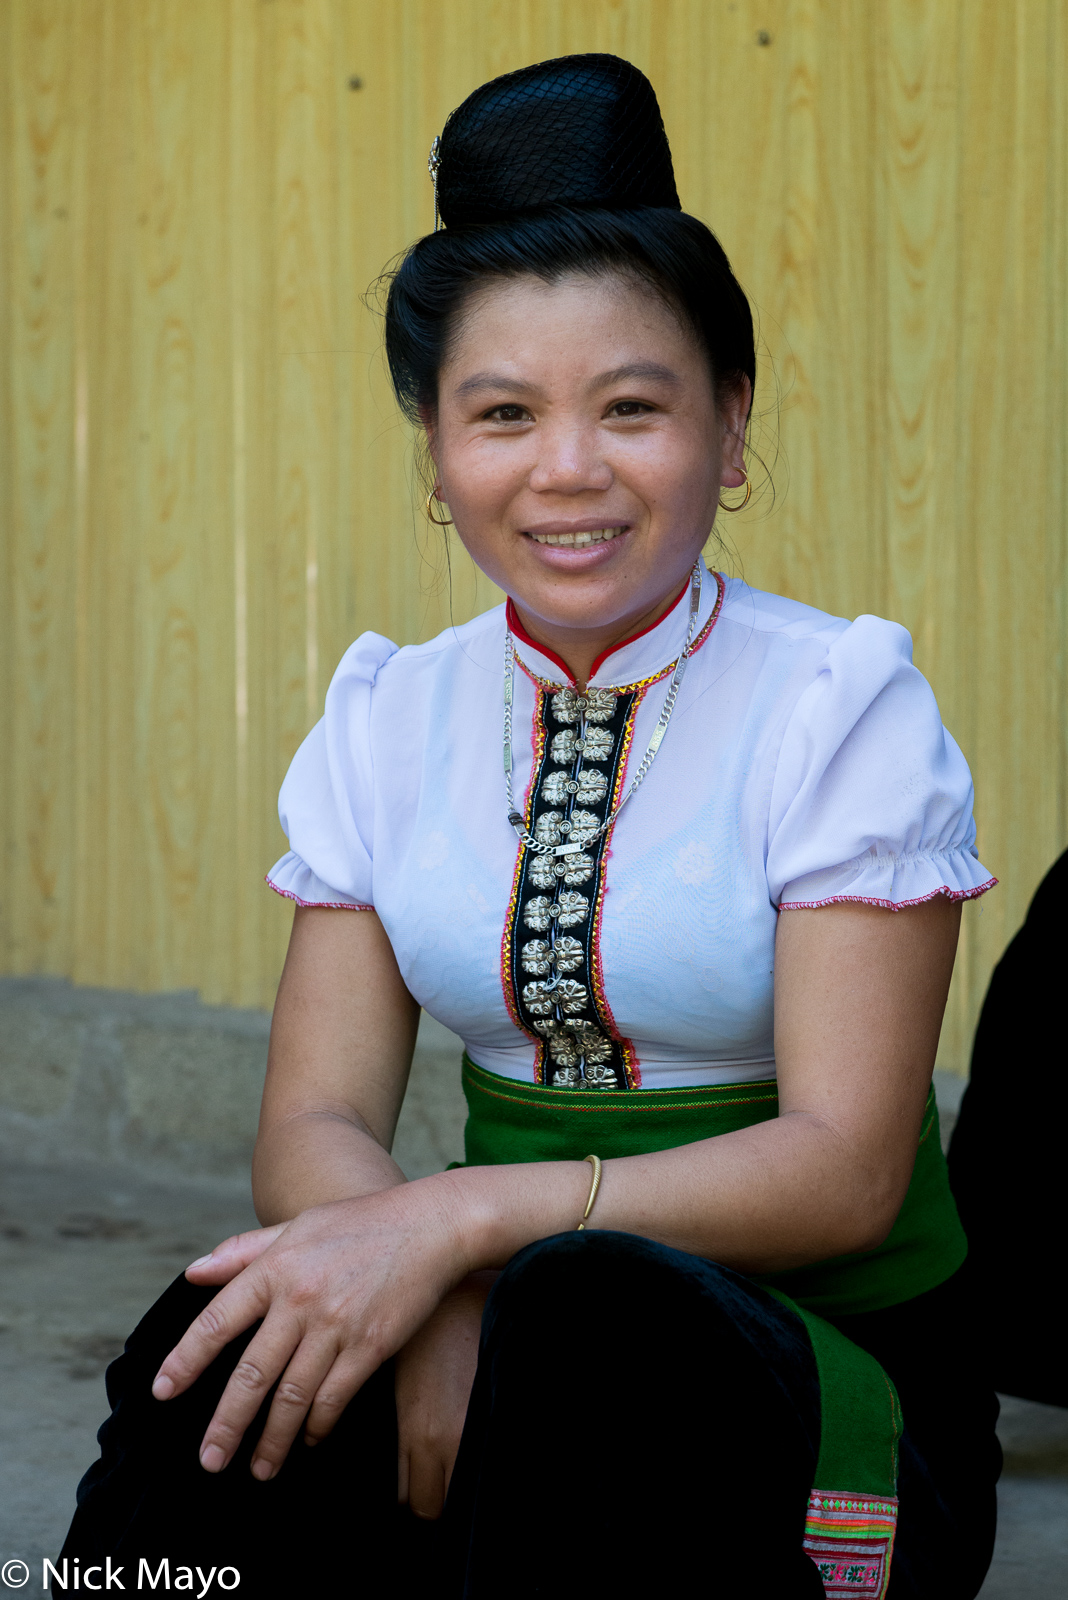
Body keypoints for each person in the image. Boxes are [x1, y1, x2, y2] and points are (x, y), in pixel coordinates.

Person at [58, 55, 1002, 1599]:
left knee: (590, 1329)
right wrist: (428, 1293)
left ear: (733, 424)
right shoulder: (388, 718)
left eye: (633, 406)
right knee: (207, 1352)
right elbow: (312, 1127)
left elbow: (843, 1173)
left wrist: (464, 1242)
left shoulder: (841, 708)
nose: (569, 470)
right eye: (503, 413)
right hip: (521, 1339)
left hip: (820, 1390)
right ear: (435, 448)